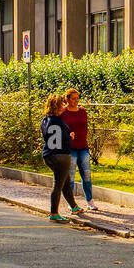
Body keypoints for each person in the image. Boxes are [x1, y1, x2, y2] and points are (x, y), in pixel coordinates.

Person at [40, 93, 83, 223]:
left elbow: (47, 138)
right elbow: (61, 141)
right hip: (61, 156)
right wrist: (70, 137)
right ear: (59, 106)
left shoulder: (45, 119)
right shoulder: (58, 121)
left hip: (48, 154)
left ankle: (74, 206)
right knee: (58, 184)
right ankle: (54, 212)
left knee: (64, 181)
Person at [61, 87, 97, 212]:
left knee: (86, 175)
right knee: (70, 176)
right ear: (67, 99)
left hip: (83, 147)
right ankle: (71, 202)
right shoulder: (63, 112)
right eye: (73, 99)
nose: (76, 101)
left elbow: (85, 127)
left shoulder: (82, 111)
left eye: (77, 98)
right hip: (70, 148)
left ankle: (90, 200)